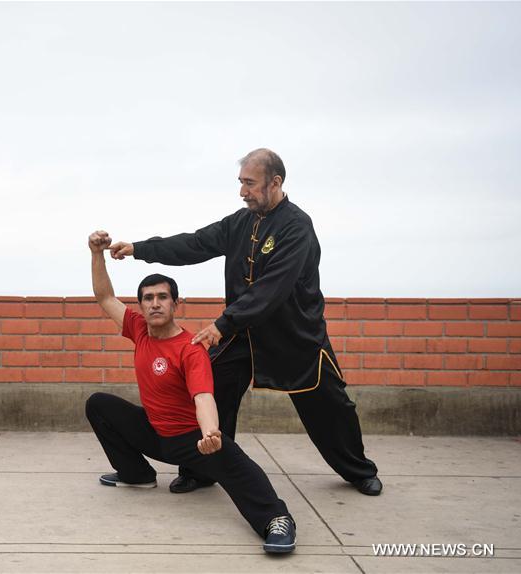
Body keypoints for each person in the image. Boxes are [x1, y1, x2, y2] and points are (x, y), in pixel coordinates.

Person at [108, 148, 382, 496]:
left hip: (294, 337)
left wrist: (223, 324)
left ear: (275, 182)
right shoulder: (240, 223)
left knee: (329, 407)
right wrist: (139, 248)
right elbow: (194, 243)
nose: (242, 192)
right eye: (241, 183)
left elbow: (272, 288)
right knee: (211, 390)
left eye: (250, 183)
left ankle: (359, 470)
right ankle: (201, 469)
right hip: (241, 336)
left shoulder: (297, 227)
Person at [84, 230, 296, 554]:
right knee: (98, 404)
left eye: (162, 297)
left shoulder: (190, 348)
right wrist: (96, 254)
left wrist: (210, 433)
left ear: (175, 303)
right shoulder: (139, 330)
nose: (155, 303)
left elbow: (203, 396)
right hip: (154, 433)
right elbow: (105, 298)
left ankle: (276, 519)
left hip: (190, 442)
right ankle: (136, 474)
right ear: (141, 306)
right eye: (148, 298)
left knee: (234, 461)